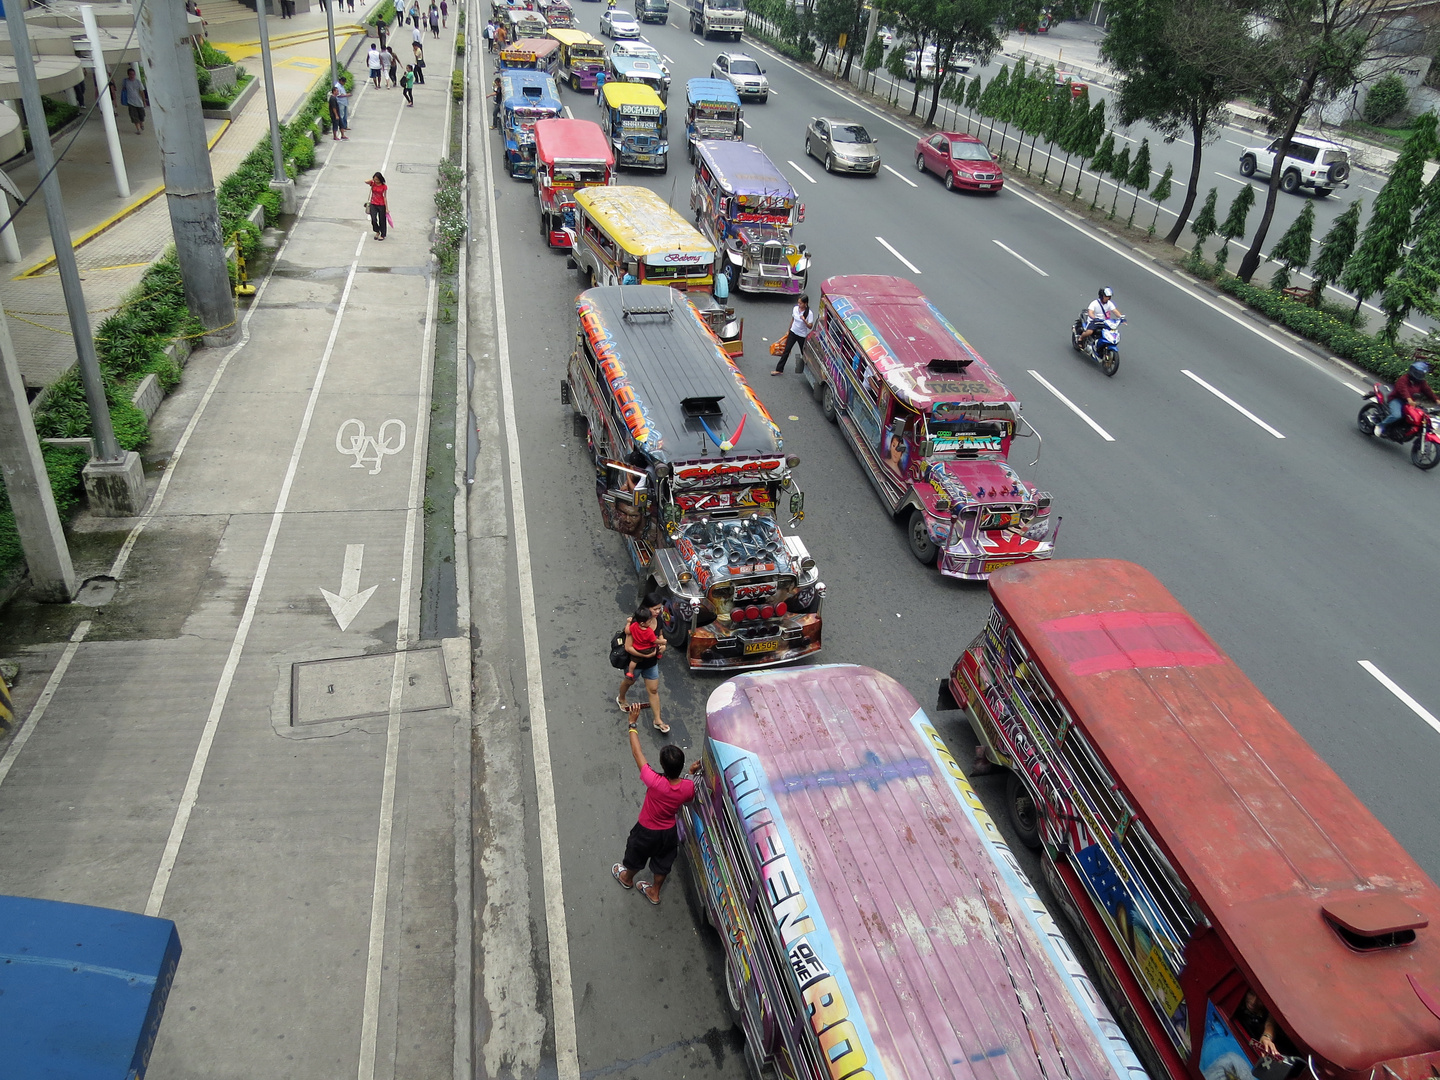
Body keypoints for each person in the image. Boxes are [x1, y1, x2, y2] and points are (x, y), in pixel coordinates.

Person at [610, 718, 700, 905]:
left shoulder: (655, 781)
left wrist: (632, 725)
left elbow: (637, 753)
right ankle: (654, 892)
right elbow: (688, 789)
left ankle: (626, 878)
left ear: (663, 766)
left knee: (636, 855)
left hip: (646, 831)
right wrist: (691, 772)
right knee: (663, 862)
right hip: (668, 833)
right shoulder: (688, 787)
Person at [617, 596, 667, 733]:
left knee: (653, 690)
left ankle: (658, 720)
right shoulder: (636, 624)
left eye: (659, 608)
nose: (658, 611)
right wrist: (646, 655)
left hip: (652, 663)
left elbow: (660, 636)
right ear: (646, 608)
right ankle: (621, 698)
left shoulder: (658, 621)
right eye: (655, 609)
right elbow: (628, 647)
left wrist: (662, 646)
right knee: (629, 682)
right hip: (637, 662)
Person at [1377, 360, 1439, 437]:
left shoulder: (1421, 382)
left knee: (1418, 418)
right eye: (1418, 373)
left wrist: (1437, 400)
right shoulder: (1403, 379)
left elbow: (1428, 391)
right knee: (1397, 415)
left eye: (1421, 374)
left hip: (1411, 403)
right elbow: (1403, 390)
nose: (1420, 375)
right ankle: (1380, 425)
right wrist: (1409, 399)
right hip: (1397, 400)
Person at [773, 293, 814, 375]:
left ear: (805, 304)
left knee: (804, 353)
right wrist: (788, 331)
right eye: (798, 303)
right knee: (786, 351)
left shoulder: (809, 314)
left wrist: (804, 320)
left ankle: (811, 370)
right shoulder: (795, 309)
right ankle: (779, 369)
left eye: (801, 303)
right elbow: (793, 320)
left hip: (801, 335)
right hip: (793, 332)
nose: (799, 305)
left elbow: (810, 326)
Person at [1234, 991, 1281, 1059]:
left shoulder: (1267, 1012)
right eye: (1252, 993)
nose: (1254, 1002)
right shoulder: (1237, 999)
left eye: (1260, 999)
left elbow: (1270, 1023)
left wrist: (1267, 1037)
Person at [623, 606, 659, 683]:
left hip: (637, 649)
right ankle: (659, 654)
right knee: (656, 646)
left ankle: (630, 673)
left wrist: (628, 623)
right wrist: (662, 642)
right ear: (643, 623)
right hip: (648, 650)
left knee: (633, 662)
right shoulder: (649, 631)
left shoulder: (634, 626)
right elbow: (654, 640)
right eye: (649, 621)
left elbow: (627, 631)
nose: (650, 623)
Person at [119, 67, 148, 135]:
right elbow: (124, 89)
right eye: (130, 74)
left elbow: (141, 91)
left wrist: (144, 101)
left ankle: (141, 123)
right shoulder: (126, 81)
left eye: (133, 74)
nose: (132, 76)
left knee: (141, 115)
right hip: (130, 102)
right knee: (134, 116)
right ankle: (138, 129)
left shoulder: (138, 82)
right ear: (128, 74)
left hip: (139, 101)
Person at [366, 172, 388, 240]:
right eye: (375, 179)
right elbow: (366, 181)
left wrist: (386, 208)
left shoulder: (384, 186)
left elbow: (385, 197)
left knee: (382, 220)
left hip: (381, 204)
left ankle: (383, 234)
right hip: (373, 203)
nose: (376, 181)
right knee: (373, 219)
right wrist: (372, 180)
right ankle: (377, 231)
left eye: (377, 180)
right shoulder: (373, 184)